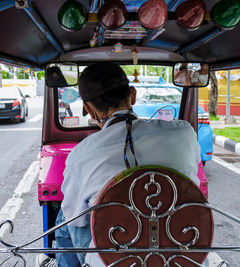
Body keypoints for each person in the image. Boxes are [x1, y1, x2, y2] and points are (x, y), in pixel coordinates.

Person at [54, 62, 201, 266]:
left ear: (88, 108)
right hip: (182, 255)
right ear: (132, 95)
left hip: (115, 261)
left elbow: (77, 220)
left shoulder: (81, 155)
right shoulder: (184, 133)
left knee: (65, 219)